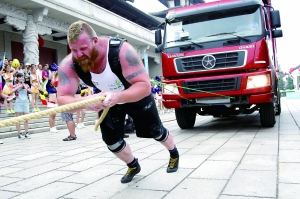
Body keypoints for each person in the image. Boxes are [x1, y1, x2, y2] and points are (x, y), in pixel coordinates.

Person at [57, 20, 179, 184]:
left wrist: (118, 97)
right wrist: (86, 102)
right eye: (74, 50)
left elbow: (144, 86)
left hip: (134, 94)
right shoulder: (69, 64)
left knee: (156, 131)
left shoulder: (121, 51)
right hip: (106, 100)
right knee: (112, 141)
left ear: (95, 41)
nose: (79, 55)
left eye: (83, 49)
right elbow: (63, 99)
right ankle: (133, 165)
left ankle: (173, 152)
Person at [11, 73, 32, 139]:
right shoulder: (15, 85)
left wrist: (26, 88)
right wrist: (18, 87)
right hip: (18, 101)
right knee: (18, 119)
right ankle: (19, 133)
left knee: (26, 118)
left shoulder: (26, 85)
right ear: (17, 78)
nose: (21, 78)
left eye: (22, 77)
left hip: (25, 101)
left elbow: (31, 92)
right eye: (20, 77)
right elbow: (11, 92)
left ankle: (26, 133)